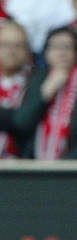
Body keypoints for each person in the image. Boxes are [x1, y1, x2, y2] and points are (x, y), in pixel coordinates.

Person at [11, 26, 77, 158]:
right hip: (34, 167)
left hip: (75, 168)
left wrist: (65, 165)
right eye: (55, 47)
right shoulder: (36, 80)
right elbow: (21, 124)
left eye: (67, 47)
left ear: (76, 52)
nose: (61, 53)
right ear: (46, 53)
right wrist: (44, 96)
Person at [0, 20, 31, 158]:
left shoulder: (35, 83)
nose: (11, 51)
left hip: (21, 165)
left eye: (18, 45)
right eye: (5, 45)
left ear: (27, 51)